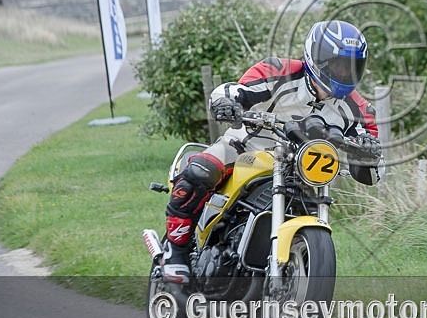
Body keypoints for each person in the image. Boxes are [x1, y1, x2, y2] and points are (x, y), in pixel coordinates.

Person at [162, 20, 383, 283]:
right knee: (201, 170)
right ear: (318, 57)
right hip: (245, 147)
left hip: (303, 168)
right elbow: (232, 90)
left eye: (351, 66)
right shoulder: (280, 71)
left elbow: (374, 168)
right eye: (338, 64)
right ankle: (175, 251)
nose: (344, 72)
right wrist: (226, 102)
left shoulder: (359, 109)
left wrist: (368, 153)